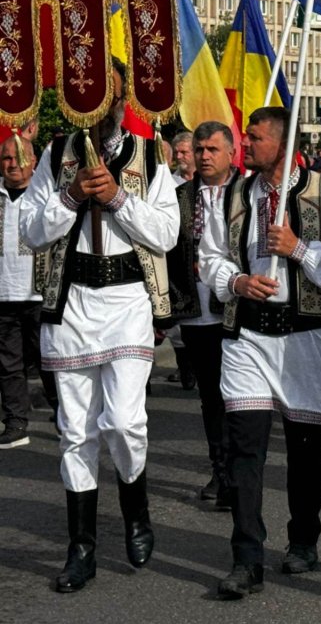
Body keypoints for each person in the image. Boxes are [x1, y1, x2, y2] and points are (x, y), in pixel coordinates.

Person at [20, 59, 179, 593]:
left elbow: (167, 233)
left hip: (128, 301)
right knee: (75, 431)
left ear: (121, 98)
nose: (96, 104)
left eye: (106, 93)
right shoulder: (55, 155)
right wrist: (70, 197)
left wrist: (117, 198)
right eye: (84, 92)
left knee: (125, 422)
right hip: (71, 304)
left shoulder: (150, 155)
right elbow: (31, 231)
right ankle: (81, 547)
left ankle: (136, 510)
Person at [198, 107, 321, 599]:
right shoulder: (236, 192)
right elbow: (210, 255)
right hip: (248, 335)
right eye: (245, 136)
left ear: (284, 144)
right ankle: (246, 557)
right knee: (244, 446)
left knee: (305, 447)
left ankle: (303, 538)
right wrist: (236, 281)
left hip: (306, 335)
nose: (246, 143)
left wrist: (299, 249)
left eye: (255, 137)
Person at [163, 121, 238, 507]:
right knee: (211, 395)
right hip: (196, 312)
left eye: (212, 149)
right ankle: (221, 472)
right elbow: (164, 252)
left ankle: (242, 472)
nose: (204, 156)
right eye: (199, 150)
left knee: (239, 397)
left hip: (238, 311)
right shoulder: (179, 197)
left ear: (231, 153)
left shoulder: (247, 192)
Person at [0, 135, 56, 448]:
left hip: (40, 294)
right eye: (7, 158)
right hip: (3, 294)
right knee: (8, 365)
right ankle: (16, 423)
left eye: (19, 158)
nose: (13, 164)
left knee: (49, 360)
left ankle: (64, 416)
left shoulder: (45, 194)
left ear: (33, 161)